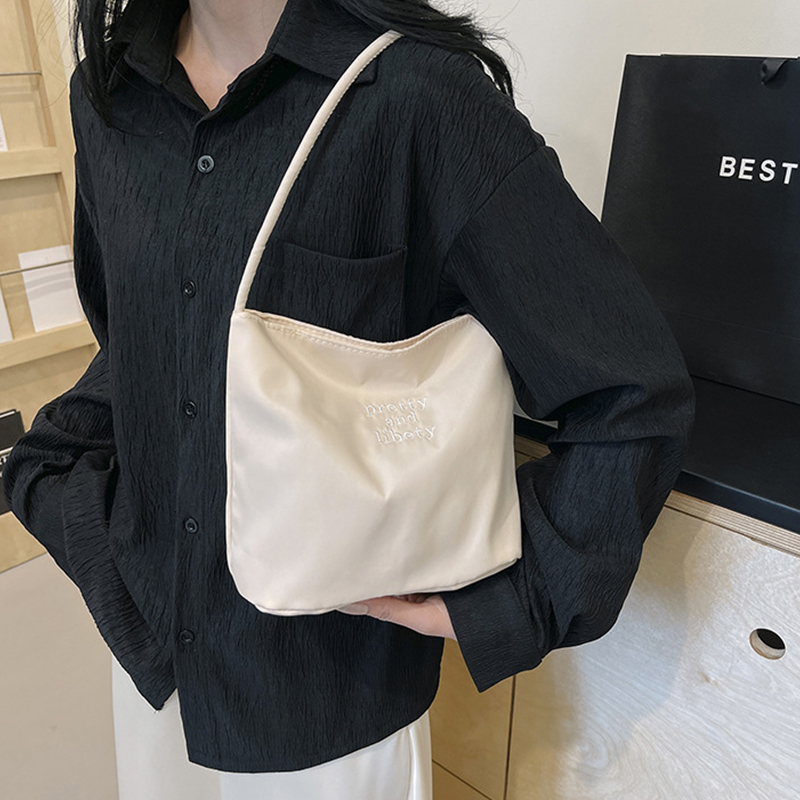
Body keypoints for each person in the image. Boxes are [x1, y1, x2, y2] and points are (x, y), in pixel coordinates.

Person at [2, 0, 696, 796]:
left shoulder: (419, 96)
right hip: (153, 666)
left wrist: (518, 598)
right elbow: (133, 345)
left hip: (329, 700)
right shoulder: (108, 98)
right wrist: (87, 522)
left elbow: (630, 390)